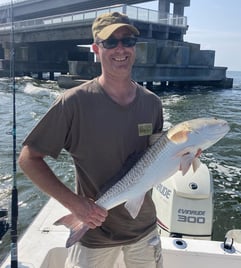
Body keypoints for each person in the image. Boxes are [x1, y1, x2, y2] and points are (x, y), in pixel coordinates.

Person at [18, 12, 163, 268]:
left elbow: (156, 158)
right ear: (96, 49)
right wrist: (75, 205)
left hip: (144, 230)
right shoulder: (73, 102)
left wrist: (184, 153)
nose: (120, 48)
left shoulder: (152, 103)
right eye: (110, 42)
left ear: (135, 47)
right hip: (94, 234)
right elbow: (29, 158)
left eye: (127, 41)